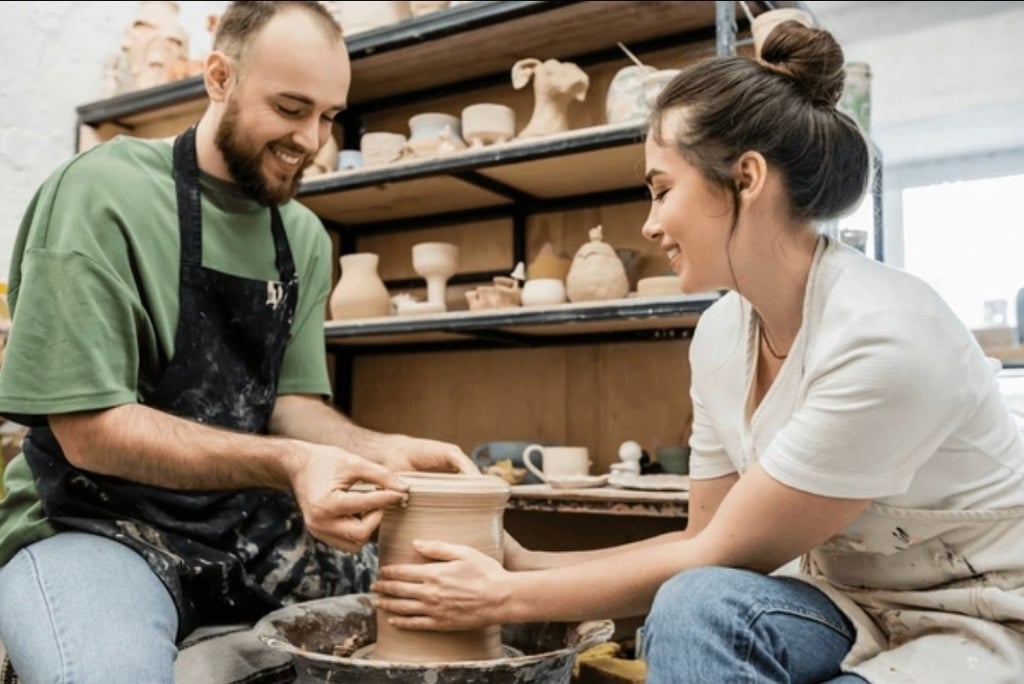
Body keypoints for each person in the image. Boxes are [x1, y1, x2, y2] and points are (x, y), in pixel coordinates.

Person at [371, 20, 1024, 683]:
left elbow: (718, 547)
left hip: (981, 617)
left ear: (746, 179)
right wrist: (519, 563)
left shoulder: (886, 336)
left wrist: (505, 598)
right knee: (695, 605)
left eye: (662, 189)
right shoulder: (718, 337)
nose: (650, 223)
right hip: (849, 607)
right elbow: (702, 548)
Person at [0, 2, 474, 682]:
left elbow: (292, 407)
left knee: (427, 619)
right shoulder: (104, 194)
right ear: (219, 77)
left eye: (329, 116)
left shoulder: (304, 236)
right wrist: (291, 466)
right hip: (94, 524)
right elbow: (88, 431)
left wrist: (382, 452)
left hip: (245, 529)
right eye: (290, 108)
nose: (312, 139)